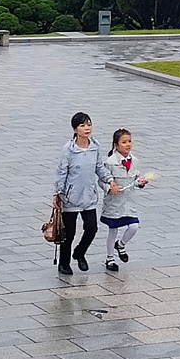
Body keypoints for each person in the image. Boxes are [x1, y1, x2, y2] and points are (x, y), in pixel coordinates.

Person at [53, 112, 119, 276]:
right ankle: (64, 264)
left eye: (89, 124)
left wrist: (110, 180)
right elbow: (61, 172)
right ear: (75, 129)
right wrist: (58, 194)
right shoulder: (68, 150)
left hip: (89, 196)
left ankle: (79, 252)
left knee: (91, 228)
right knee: (69, 233)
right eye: (82, 125)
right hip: (70, 198)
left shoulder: (95, 146)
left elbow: (99, 167)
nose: (87, 128)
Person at [100, 128, 147, 272]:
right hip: (114, 203)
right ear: (116, 145)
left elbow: (136, 179)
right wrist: (109, 187)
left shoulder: (135, 161)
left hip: (129, 202)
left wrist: (141, 182)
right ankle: (110, 258)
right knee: (113, 230)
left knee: (134, 226)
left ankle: (121, 244)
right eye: (124, 142)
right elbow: (101, 180)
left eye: (129, 141)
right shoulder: (110, 162)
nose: (128, 145)